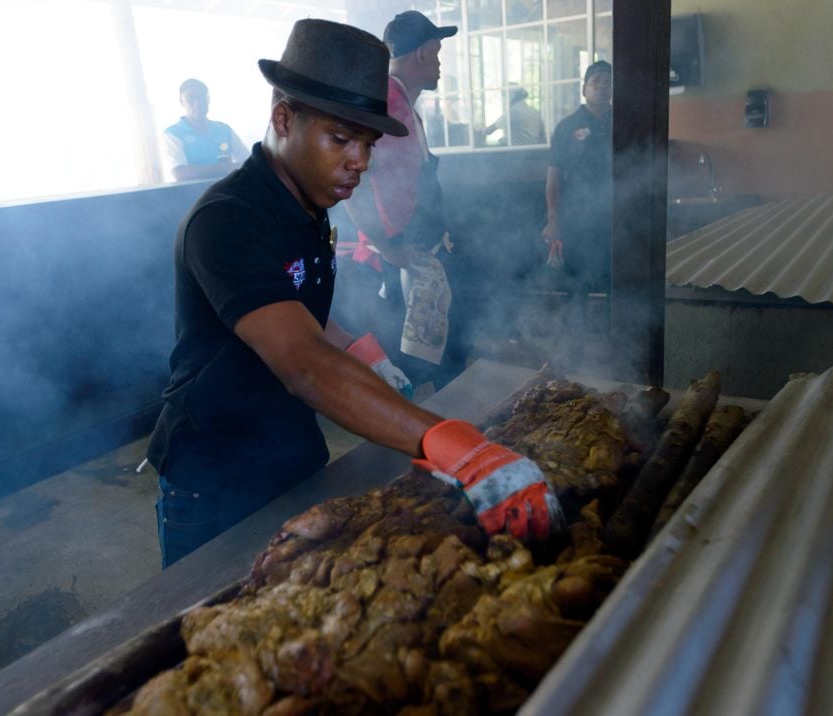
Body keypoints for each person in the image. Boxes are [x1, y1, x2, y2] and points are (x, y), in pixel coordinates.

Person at [145, 19, 565, 568]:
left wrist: (361, 353)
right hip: (217, 471)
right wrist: (456, 445)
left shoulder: (309, 204)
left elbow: (297, 315)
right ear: (282, 118)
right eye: (340, 138)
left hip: (292, 450)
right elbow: (301, 363)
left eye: (366, 143)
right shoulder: (228, 220)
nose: (360, 161)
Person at [339, 11, 466, 391]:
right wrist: (387, 246)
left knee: (443, 355)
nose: (440, 65)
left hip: (421, 247)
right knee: (410, 366)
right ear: (423, 54)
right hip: (399, 258)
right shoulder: (386, 107)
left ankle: (445, 428)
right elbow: (353, 183)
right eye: (438, 54)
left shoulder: (402, 102)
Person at [542, 61, 613, 292]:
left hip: (616, 218)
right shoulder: (567, 127)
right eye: (596, 81)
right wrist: (553, 219)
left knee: (614, 281)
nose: (602, 87)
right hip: (577, 218)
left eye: (608, 82)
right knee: (578, 283)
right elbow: (554, 178)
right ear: (584, 89)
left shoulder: (625, 124)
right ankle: (577, 327)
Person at [162, 78, 251, 182]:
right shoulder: (172, 134)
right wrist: (224, 168)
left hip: (226, 192)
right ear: (181, 101)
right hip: (192, 195)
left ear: (208, 100)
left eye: (201, 97)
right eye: (190, 98)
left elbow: (248, 163)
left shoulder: (224, 129)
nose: (197, 103)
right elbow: (180, 173)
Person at [479, 84, 546, 146]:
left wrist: (478, 132)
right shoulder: (534, 112)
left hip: (516, 152)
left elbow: (490, 130)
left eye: (504, 96)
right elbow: (542, 134)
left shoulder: (513, 112)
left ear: (509, 96)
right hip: (534, 151)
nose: (504, 100)